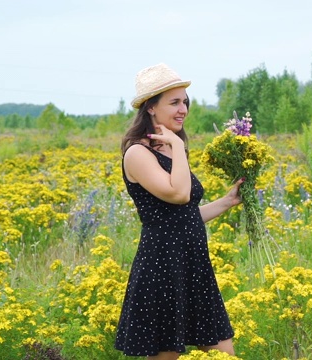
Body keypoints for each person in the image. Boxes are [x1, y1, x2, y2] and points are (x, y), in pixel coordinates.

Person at [115, 63, 243, 359]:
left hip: (194, 267)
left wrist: (227, 201)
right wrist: (174, 144)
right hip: (162, 268)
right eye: (174, 102)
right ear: (151, 108)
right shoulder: (138, 152)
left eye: (185, 101)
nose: (182, 109)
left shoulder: (170, 148)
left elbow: (183, 217)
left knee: (224, 354)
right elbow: (179, 194)